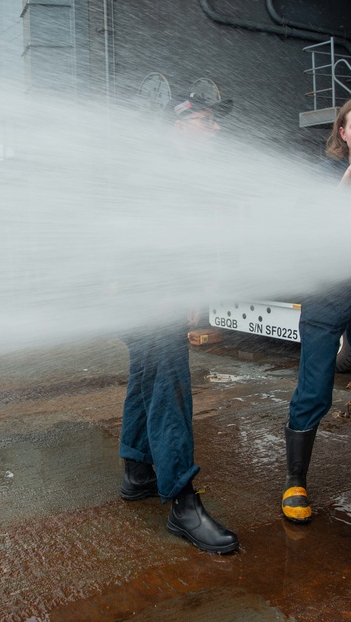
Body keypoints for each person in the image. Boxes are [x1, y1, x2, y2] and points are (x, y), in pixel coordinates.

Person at [118, 92, 238, 554]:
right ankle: (183, 504)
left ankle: (136, 471)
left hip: (150, 293)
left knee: (146, 376)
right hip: (150, 295)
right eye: (207, 121)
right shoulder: (155, 167)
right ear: (178, 124)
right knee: (170, 389)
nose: (216, 129)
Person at [281, 95, 351, 524]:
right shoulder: (321, 175)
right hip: (327, 294)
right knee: (314, 388)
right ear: (342, 132)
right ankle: (296, 479)